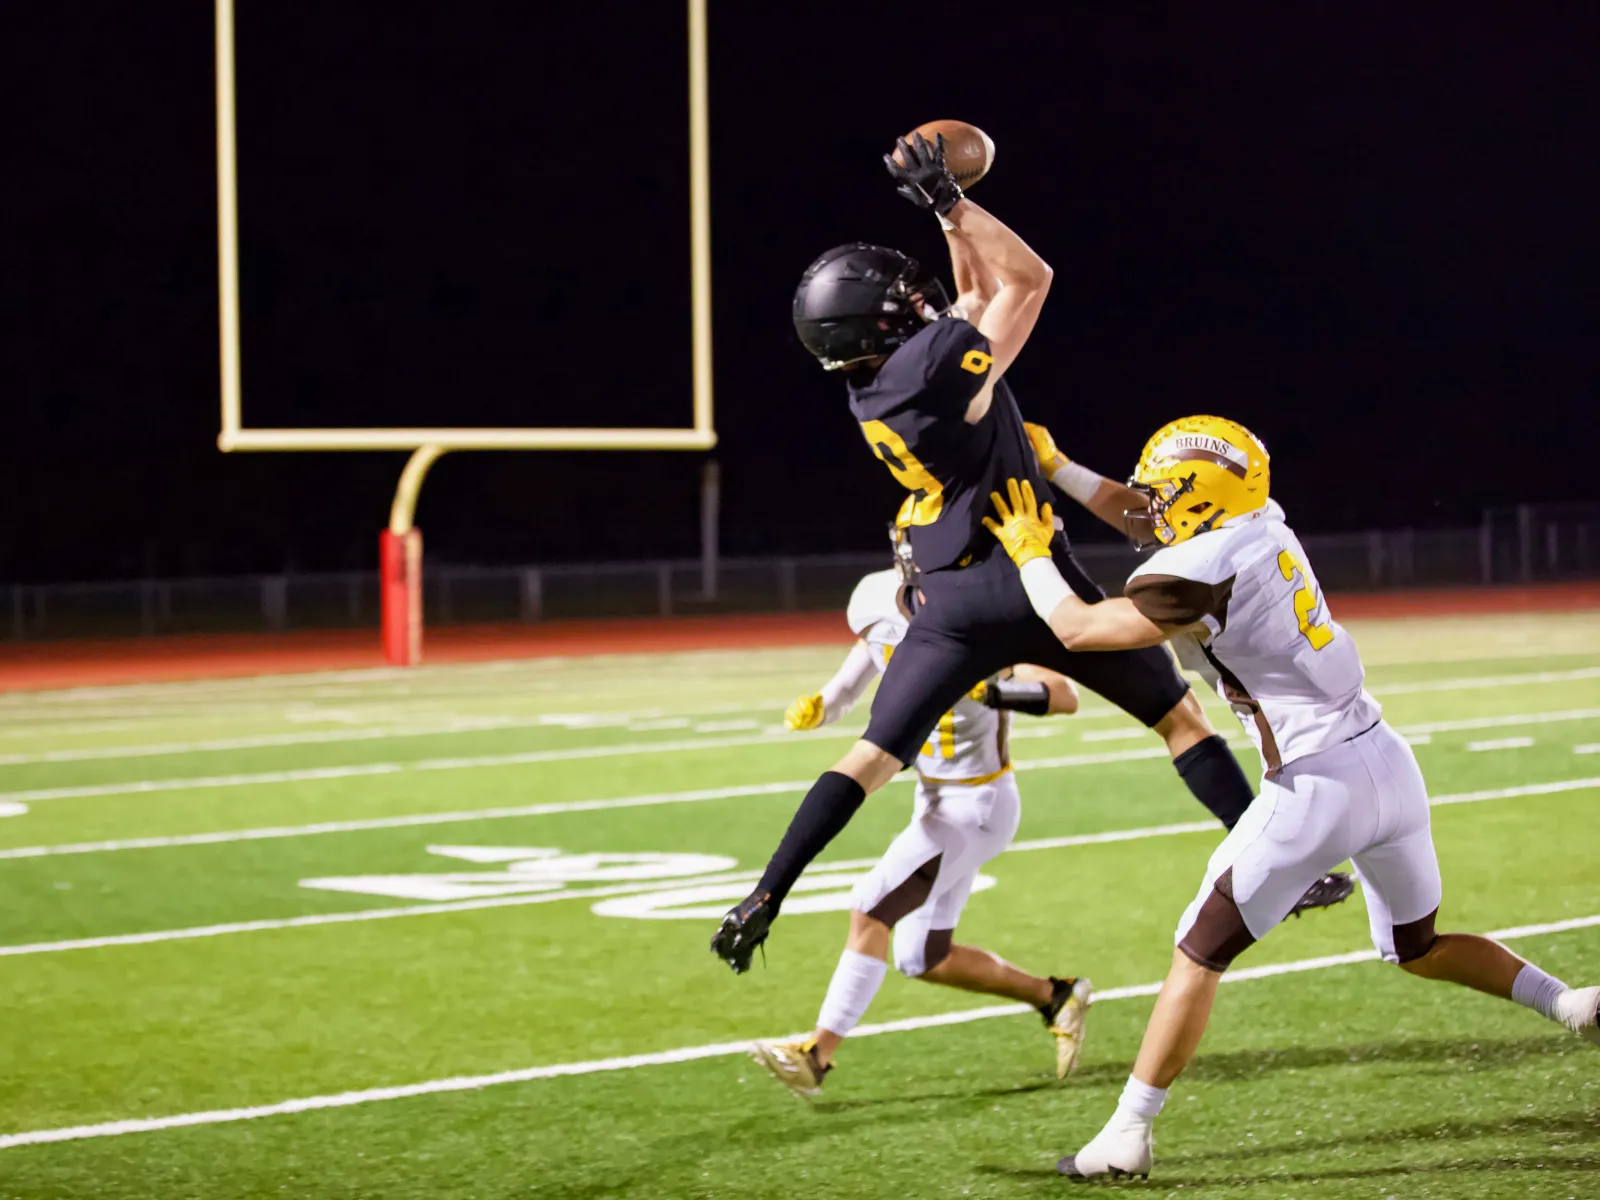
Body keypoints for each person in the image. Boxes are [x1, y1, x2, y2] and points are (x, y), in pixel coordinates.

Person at [710, 133, 1348, 975]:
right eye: (899, 299)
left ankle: (766, 891)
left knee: (869, 757)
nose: (918, 301)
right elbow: (1025, 281)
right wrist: (947, 204)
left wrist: (949, 221)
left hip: (946, 599)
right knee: (1178, 720)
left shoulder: (876, 388)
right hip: (1027, 573)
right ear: (881, 325)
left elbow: (972, 292)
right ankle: (1283, 871)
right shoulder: (934, 364)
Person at [976, 416, 1600, 1180]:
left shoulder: (1197, 566)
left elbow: (1077, 628)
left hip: (1313, 784)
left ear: (1200, 500)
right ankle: (1569, 1004)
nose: (1153, 504)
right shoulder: (1258, 521)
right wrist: (1063, 468)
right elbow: (1153, 520)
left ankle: (1126, 1137)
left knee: (1197, 951)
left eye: (1167, 492)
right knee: (1419, 946)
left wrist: (1031, 552)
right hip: (1387, 763)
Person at [750, 526, 1092, 1096]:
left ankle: (817, 1054)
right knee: (921, 956)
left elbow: (1064, 694)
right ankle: (1056, 995)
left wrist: (993, 690)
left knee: (869, 911)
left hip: (976, 802)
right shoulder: (876, 599)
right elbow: (863, 664)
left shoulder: (983, 609)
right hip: (933, 798)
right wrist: (825, 705)